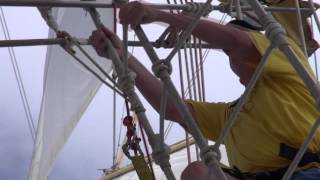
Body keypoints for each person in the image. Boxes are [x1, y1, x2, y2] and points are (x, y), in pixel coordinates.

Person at [90, 2, 320, 179]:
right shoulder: (230, 115)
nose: (232, 54)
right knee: (197, 173)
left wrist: (160, 15)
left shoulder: (289, 62)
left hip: (310, 171)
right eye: (226, 53)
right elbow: (172, 108)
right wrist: (123, 56)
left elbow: (237, 41)